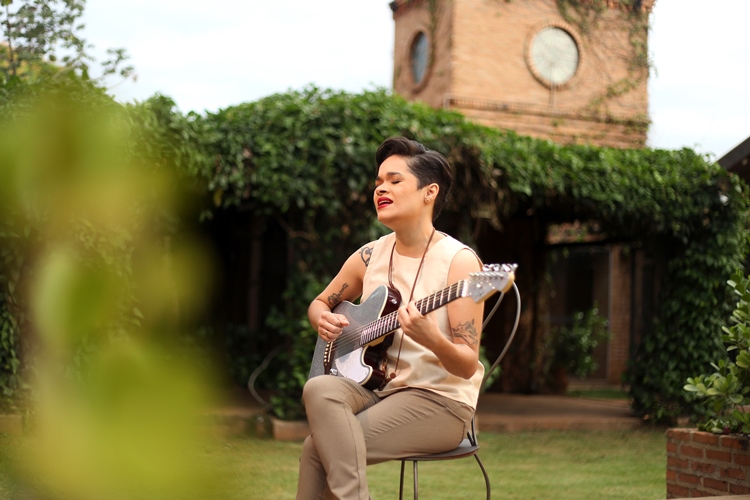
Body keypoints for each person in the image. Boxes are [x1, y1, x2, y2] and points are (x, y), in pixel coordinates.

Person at [297, 136, 485, 500]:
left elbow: (466, 365)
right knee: (318, 387)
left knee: (317, 449)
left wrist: (431, 338)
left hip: (440, 402)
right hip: (379, 390)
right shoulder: (370, 255)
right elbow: (320, 302)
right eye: (379, 182)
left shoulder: (460, 262)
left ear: (429, 192)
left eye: (395, 181)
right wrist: (322, 318)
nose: (381, 189)